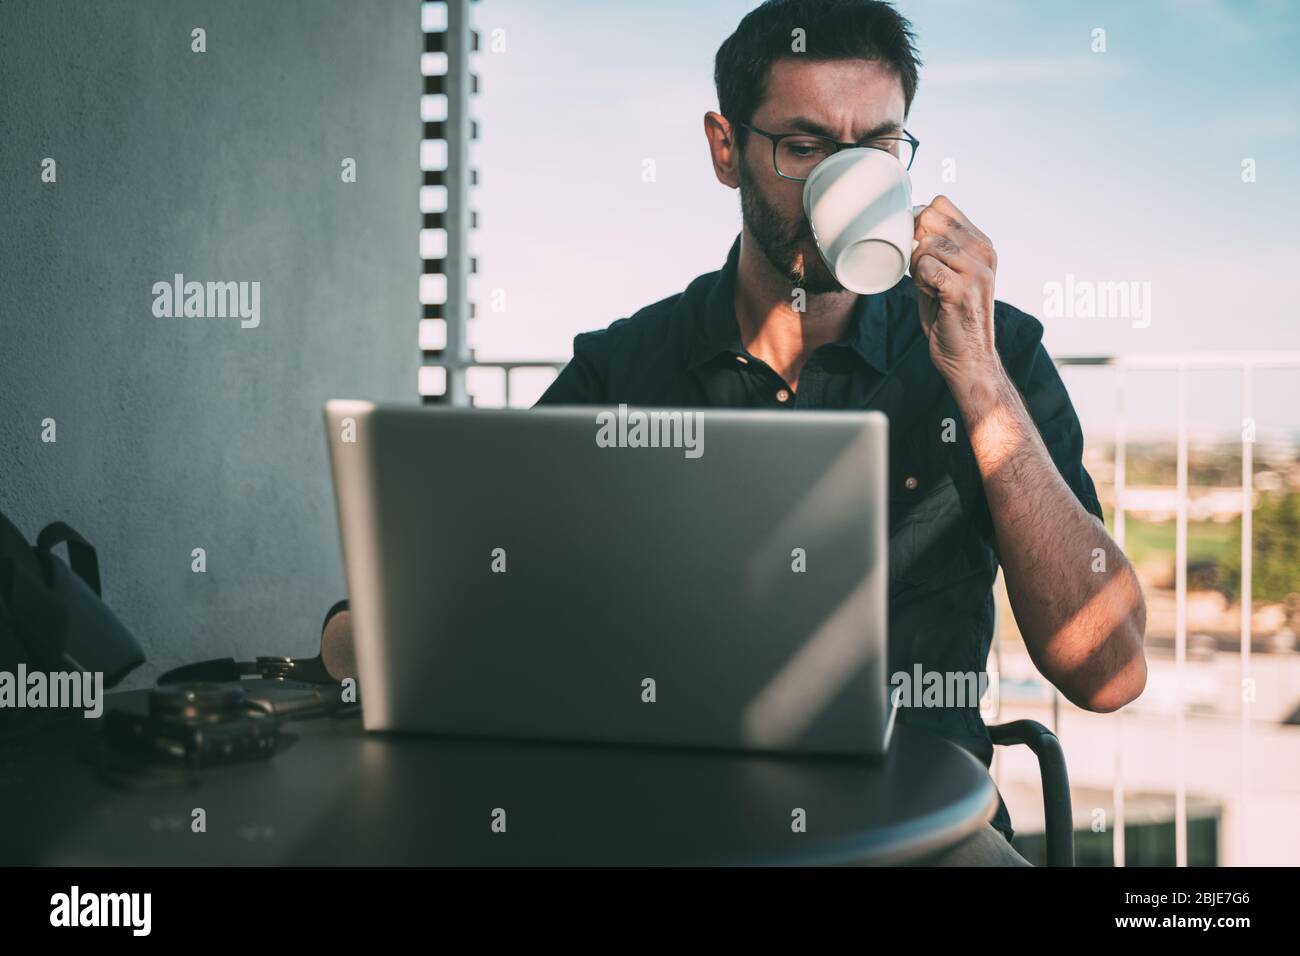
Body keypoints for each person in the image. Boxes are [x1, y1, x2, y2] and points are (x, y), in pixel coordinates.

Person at [536, 0, 1147, 865]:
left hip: (923, 825)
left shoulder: (994, 352)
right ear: (725, 149)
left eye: (878, 149)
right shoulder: (628, 366)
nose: (848, 177)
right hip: (675, 816)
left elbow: (1109, 672)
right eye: (806, 146)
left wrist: (977, 380)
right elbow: (482, 576)